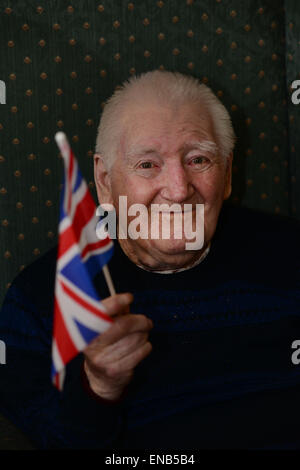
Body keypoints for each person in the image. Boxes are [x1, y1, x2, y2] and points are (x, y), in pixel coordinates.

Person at [0, 70, 300, 450]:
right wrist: (99, 387)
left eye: (198, 159)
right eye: (147, 164)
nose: (177, 190)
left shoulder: (289, 251)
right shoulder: (41, 300)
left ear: (226, 176)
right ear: (105, 180)